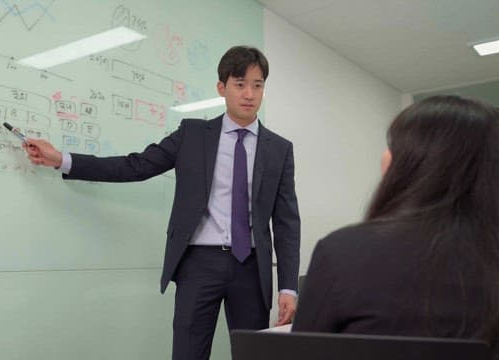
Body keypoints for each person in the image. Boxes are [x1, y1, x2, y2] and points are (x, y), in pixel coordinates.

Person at [23, 45, 300, 360]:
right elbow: (135, 166)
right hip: (198, 264)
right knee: (187, 354)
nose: (249, 93)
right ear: (222, 88)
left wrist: (289, 287)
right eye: (240, 84)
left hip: (251, 269)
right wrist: (63, 159)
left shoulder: (279, 149)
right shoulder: (193, 135)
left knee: (254, 354)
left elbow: (287, 222)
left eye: (258, 84)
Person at [292, 96, 499, 360]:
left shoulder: (340, 253)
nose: (384, 155)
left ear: (413, 163)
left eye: (393, 146)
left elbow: (297, 354)